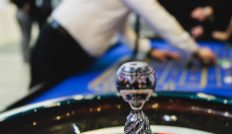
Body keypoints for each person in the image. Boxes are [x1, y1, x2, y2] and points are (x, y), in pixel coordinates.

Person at [30, 0, 216, 87]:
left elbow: (121, 28)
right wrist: (195, 50)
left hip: (61, 44)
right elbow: (160, 20)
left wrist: (149, 50)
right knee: (39, 109)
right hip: (59, 47)